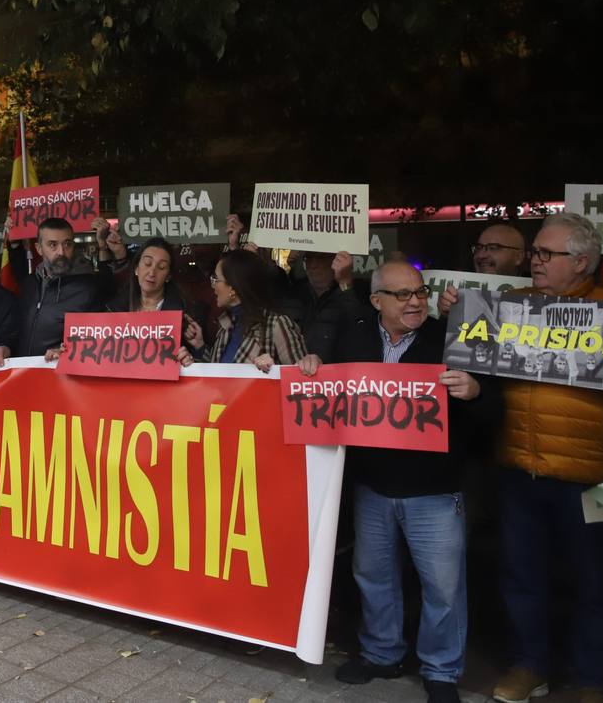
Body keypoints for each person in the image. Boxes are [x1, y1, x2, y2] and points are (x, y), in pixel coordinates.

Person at [485, 213, 603, 703]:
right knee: (522, 577)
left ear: (583, 262)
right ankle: (530, 664)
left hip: (591, 476)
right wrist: (451, 313)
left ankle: (595, 678)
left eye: (548, 255)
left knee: (597, 584)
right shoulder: (509, 306)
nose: (536, 262)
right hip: (518, 466)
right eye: (536, 254)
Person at [313, 262, 499, 703]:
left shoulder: (450, 339)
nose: (416, 301)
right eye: (402, 295)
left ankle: (441, 671)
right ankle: (381, 654)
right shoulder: (356, 338)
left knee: (443, 588)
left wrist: (475, 392)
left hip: (434, 489)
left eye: (420, 292)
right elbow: (328, 390)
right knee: (374, 577)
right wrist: (312, 366)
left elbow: (495, 412)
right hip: (372, 486)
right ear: (376, 301)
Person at [0, 216, 127, 361]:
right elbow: (16, 329)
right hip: (24, 376)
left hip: (62, 378)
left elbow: (102, 340)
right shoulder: (30, 284)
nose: (61, 252)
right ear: (39, 249)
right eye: (52, 245)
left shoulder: (88, 289)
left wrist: (69, 352)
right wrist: (5, 345)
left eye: (67, 244)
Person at [179, 250, 308, 369]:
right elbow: (221, 375)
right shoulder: (226, 325)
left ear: (233, 288)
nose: (212, 285)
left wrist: (274, 371)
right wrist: (200, 347)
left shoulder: (277, 325)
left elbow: (299, 383)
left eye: (216, 279)